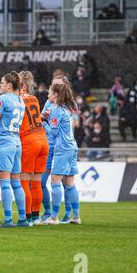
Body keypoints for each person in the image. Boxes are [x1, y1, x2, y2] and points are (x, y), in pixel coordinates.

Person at [0, 72, 28, 228]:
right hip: (17, 143)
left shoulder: (3, 99)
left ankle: (8, 219)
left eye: (2, 83)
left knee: (4, 183)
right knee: (16, 183)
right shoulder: (20, 100)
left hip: (4, 142)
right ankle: (22, 218)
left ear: (9, 85)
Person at [42, 80, 81, 225]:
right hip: (72, 147)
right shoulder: (67, 107)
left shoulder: (57, 109)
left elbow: (53, 132)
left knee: (55, 181)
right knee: (70, 183)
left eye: (50, 92)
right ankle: (76, 216)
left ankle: (54, 217)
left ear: (56, 94)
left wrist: (43, 122)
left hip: (62, 148)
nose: (48, 94)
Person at [18, 71, 49, 226]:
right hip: (42, 139)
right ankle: (36, 217)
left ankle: (27, 217)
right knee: (36, 181)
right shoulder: (35, 99)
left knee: (24, 180)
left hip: (29, 141)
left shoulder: (17, 100)